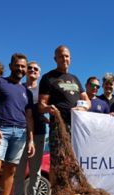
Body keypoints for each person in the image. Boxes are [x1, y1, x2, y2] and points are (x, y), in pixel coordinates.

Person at [0, 53, 35, 195]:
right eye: (17, 65)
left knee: (11, 170)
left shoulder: (27, 92)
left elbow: (29, 117)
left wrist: (31, 140)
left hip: (20, 133)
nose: (20, 68)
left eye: (23, 66)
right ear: (11, 66)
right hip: (0, 131)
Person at [38, 45, 90, 186]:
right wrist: (48, 108)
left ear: (70, 58)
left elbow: (87, 101)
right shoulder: (48, 78)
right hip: (59, 126)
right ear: (55, 59)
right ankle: (57, 194)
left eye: (66, 56)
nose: (64, 58)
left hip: (77, 127)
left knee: (75, 160)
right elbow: (41, 104)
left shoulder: (75, 79)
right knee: (57, 161)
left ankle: (73, 190)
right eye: (61, 56)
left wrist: (83, 108)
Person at [13, 61, 47, 195]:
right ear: (26, 71)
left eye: (36, 69)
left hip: (38, 132)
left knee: (35, 168)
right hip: (20, 132)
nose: (32, 70)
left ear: (39, 73)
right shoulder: (19, 88)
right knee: (19, 168)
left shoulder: (42, 90)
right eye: (30, 68)